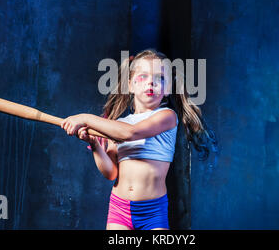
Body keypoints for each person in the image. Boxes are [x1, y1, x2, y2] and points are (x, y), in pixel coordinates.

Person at [60, 49, 216, 230]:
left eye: (160, 78)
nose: (151, 82)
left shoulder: (166, 116)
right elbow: (111, 173)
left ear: (167, 90)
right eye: (143, 76)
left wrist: (86, 118)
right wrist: (94, 144)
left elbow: (131, 133)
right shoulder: (118, 125)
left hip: (152, 211)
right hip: (119, 208)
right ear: (130, 86)